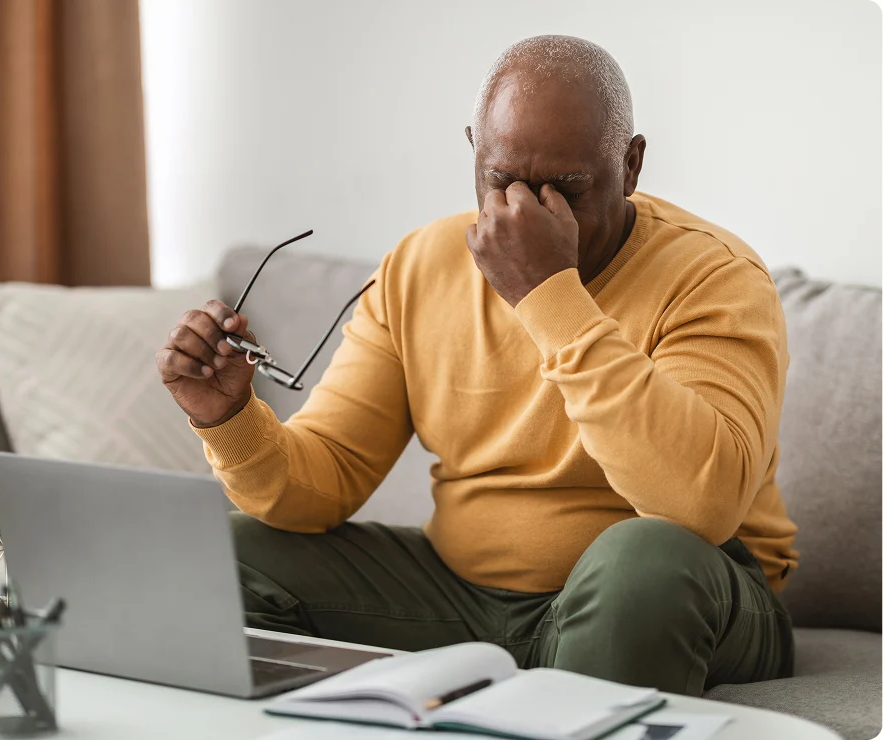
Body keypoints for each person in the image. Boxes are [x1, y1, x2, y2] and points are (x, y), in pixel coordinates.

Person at [156, 35, 797, 695]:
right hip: (462, 597)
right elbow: (323, 483)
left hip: (682, 590)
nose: (528, 213)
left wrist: (549, 298)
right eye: (503, 181)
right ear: (473, 151)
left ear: (631, 166)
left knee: (646, 561)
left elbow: (701, 504)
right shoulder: (421, 265)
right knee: (224, 555)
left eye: (568, 190)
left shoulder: (715, 275)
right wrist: (231, 417)